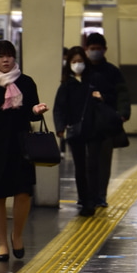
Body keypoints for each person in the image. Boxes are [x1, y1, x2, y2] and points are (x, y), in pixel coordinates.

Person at [0, 40, 49, 260]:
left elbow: (31, 111)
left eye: (9, 55)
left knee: (23, 193)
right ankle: (2, 244)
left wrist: (36, 110)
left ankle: (18, 236)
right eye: (0, 56)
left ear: (15, 58)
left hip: (21, 145)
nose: (5, 60)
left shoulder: (26, 82)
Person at [82, 32, 129, 207]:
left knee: (103, 162)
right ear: (86, 49)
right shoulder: (82, 70)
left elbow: (122, 93)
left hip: (105, 123)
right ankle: (87, 195)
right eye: (92, 49)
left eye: (98, 49)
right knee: (88, 162)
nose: (95, 52)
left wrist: (123, 112)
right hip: (86, 123)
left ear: (104, 50)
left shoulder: (112, 72)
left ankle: (100, 195)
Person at [53, 46, 101, 218]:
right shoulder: (67, 85)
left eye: (80, 61)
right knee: (80, 167)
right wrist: (60, 128)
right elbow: (59, 108)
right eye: (74, 62)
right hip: (75, 131)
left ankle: (93, 198)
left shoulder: (93, 81)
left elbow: (105, 103)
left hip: (94, 129)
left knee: (93, 166)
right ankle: (85, 200)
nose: (77, 65)